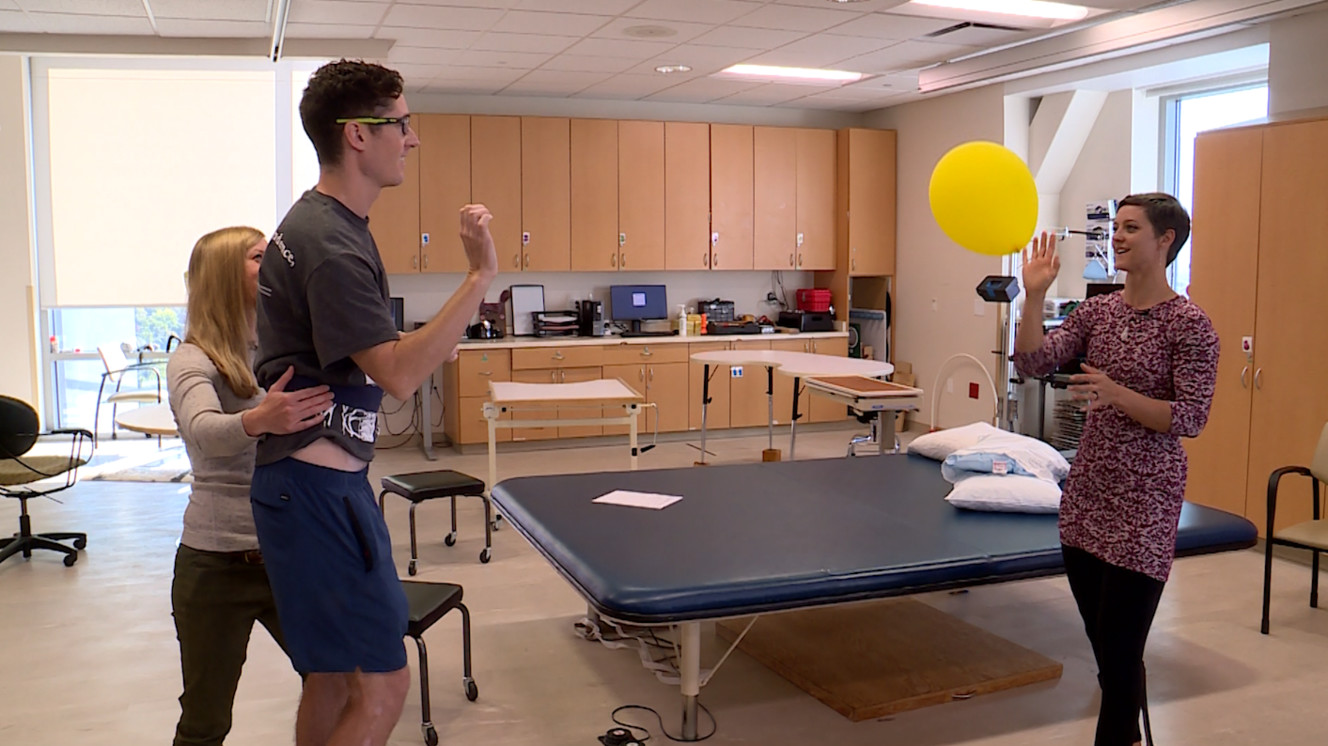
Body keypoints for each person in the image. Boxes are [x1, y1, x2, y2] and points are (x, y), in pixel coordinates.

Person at [250, 59, 498, 746]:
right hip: (317, 496)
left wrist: (421, 340)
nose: (411, 139)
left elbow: (366, 346)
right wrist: (479, 276)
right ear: (357, 135)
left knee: (330, 677)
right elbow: (396, 375)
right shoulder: (329, 242)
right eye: (401, 124)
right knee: (385, 684)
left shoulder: (323, 226)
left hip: (309, 488)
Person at [1012, 193, 1219, 746]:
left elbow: (1190, 417)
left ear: (1165, 240)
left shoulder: (1190, 325)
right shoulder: (1099, 312)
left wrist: (1115, 392)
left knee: (1122, 651)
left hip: (1145, 504)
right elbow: (1033, 361)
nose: (1118, 237)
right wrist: (1032, 296)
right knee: (1107, 652)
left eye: (1131, 228)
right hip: (1088, 497)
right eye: (1117, 227)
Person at [167, 226, 334, 746]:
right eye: (259, 257)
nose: (274, 264)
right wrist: (260, 419)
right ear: (223, 275)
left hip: (286, 555)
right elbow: (203, 432)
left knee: (337, 685)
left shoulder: (274, 347)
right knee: (206, 720)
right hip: (217, 565)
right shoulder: (191, 360)